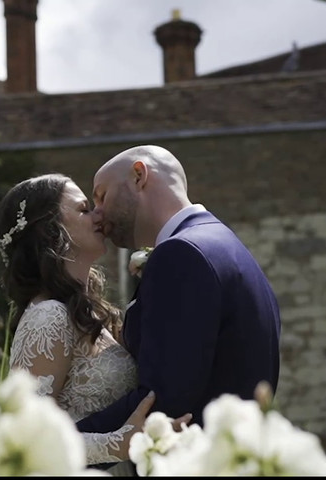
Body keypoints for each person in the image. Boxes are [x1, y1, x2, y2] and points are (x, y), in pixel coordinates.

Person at [77, 145, 282, 437]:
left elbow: (162, 400)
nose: (98, 212)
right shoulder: (224, 243)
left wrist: (64, 449)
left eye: (102, 196)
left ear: (139, 175)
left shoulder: (182, 254)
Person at [0, 173, 190, 471]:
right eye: (84, 209)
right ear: (52, 230)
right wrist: (117, 443)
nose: (99, 213)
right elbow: (23, 440)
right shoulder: (48, 317)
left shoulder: (94, 314)